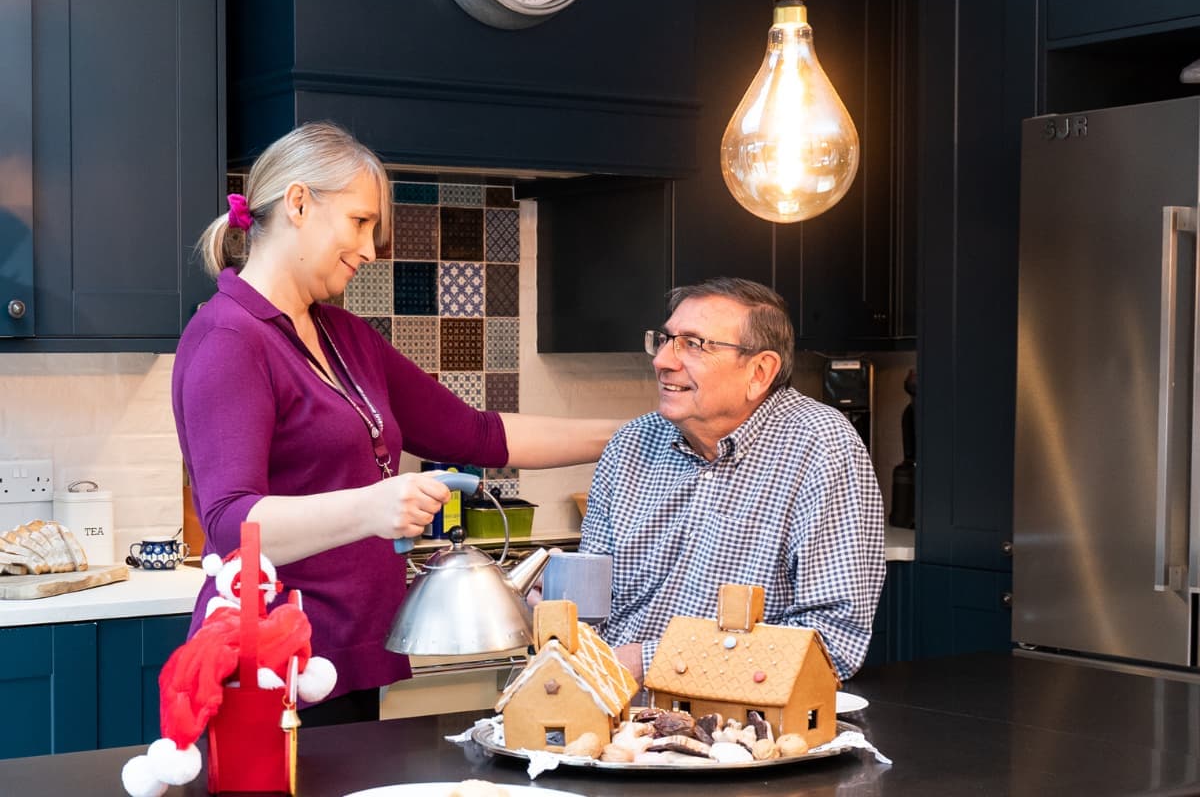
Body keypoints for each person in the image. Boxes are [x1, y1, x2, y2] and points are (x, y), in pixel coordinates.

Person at [173, 121, 624, 726]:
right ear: (300, 203)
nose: (369, 248)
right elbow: (231, 526)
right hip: (269, 667)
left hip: (348, 652)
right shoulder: (231, 338)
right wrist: (372, 507)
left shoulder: (341, 334)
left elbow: (476, 435)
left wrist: (637, 431)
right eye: (360, 223)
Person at [580, 277, 885, 684]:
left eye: (693, 344)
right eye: (666, 339)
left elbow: (830, 643)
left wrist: (649, 662)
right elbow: (591, 611)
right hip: (612, 713)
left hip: (740, 730)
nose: (662, 361)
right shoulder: (631, 444)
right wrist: (555, 606)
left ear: (760, 371)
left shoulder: (820, 446)